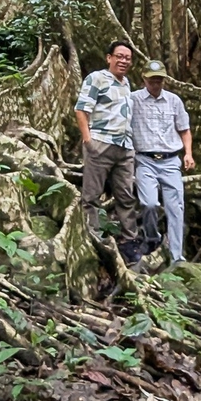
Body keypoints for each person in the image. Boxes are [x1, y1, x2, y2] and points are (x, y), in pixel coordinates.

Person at [74, 42, 141, 261]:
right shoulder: (97, 78)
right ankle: (95, 240)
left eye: (127, 58)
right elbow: (81, 109)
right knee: (92, 195)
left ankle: (130, 242)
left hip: (124, 147)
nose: (123, 61)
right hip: (100, 144)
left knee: (126, 195)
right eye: (119, 56)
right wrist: (88, 140)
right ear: (109, 57)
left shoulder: (127, 83)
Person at [131, 60, 193, 264]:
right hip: (145, 160)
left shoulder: (174, 101)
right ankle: (152, 237)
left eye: (159, 80)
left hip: (170, 161)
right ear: (144, 79)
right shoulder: (133, 100)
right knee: (149, 203)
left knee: (176, 207)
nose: (155, 84)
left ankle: (176, 256)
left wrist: (188, 154)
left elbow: (184, 129)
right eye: (152, 80)